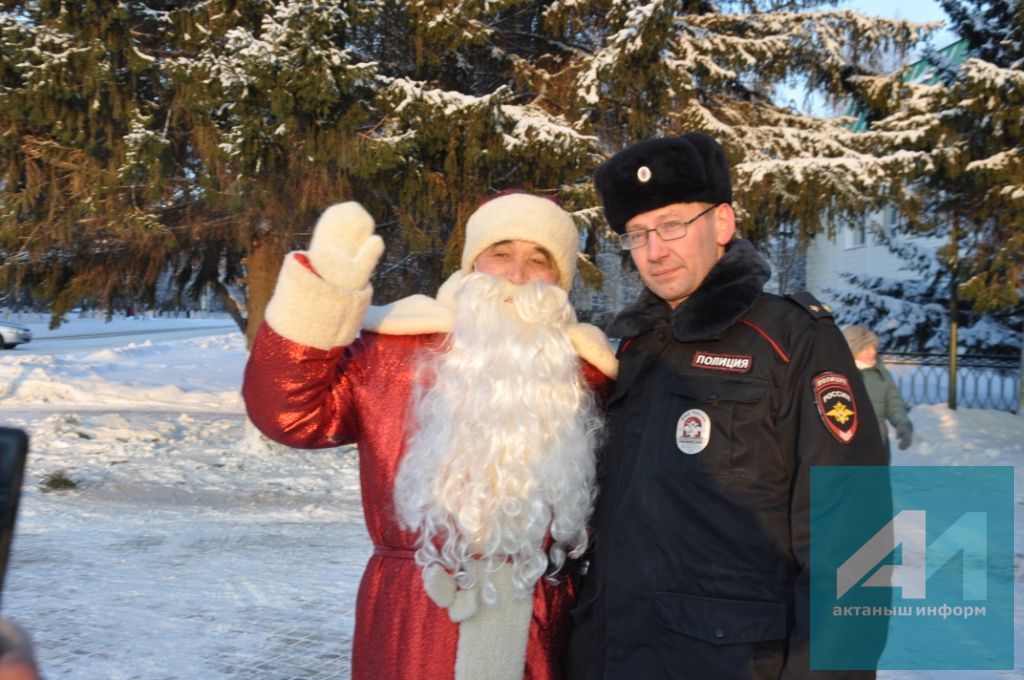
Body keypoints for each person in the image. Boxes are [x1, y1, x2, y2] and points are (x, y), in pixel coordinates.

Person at [242, 192, 617, 680]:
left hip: (542, 622)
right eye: (500, 255)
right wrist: (322, 298)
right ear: (472, 263)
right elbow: (287, 414)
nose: (517, 275)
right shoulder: (394, 348)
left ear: (560, 279)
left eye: (538, 260)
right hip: (413, 615)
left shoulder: (592, 375)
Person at [566, 132, 888, 679]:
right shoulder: (637, 348)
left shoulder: (793, 340)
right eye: (637, 234)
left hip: (731, 662)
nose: (654, 250)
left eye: (672, 225)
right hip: (613, 653)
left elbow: (853, 537)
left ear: (722, 224)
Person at [843, 325, 913, 458]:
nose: (873, 352)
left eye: (874, 347)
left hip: (878, 444)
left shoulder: (881, 374)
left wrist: (903, 424)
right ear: (853, 350)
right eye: (867, 348)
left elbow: (894, 404)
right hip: (846, 448)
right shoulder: (838, 376)